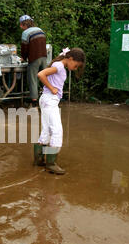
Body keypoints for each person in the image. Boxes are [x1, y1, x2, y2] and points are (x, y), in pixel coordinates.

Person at [34, 47, 86, 175]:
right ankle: (51, 164)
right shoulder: (60, 66)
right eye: (76, 65)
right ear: (70, 59)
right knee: (57, 131)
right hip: (50, 100)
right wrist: (52, 88)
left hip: (47, 100)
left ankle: (39, 159)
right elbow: (41, 74)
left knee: (46, 130)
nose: (75, 68)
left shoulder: (60, 65)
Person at [19, 15, 47, 107]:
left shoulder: (26, 33)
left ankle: (34, 101)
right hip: (44, 57)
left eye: (21, 25)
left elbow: (24, 48)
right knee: (44, 78)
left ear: (24, 24)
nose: (20, 27)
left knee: (33, 79)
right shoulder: (40, 30)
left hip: (34, 58)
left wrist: (23, 57)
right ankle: (47, 98)